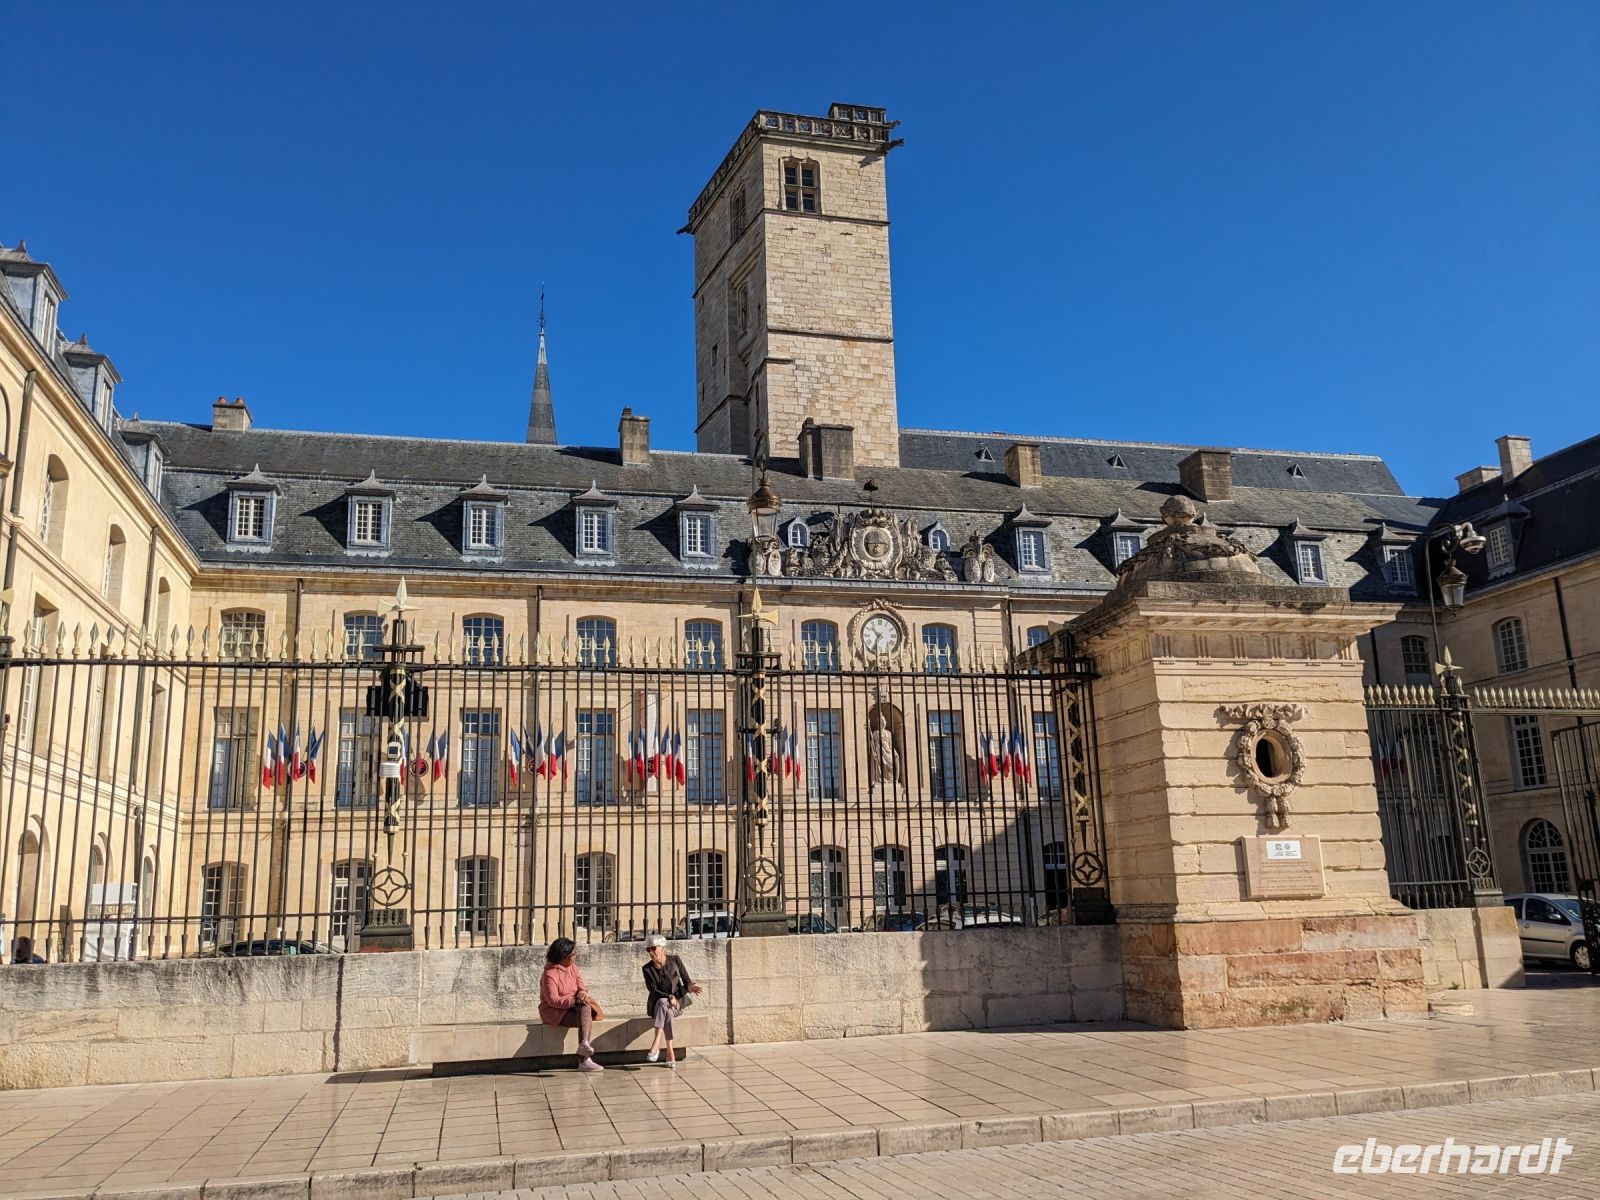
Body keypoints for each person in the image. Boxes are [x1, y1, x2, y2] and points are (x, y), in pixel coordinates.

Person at [539, 937, 606, 1073]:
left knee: (585, 1006)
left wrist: (582, 994)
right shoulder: (549, 974)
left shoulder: (573, 968)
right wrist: (574, 1001)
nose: (575, 957)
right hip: (554, 1012)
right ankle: (584, 1059)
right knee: (584, 1012)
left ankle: (584, 1045)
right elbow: (553, 1000)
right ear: (563, 956)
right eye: (572, 955)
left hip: (575, 1007)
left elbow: (582, 987)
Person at [641, 934, 701, 1067]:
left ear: (662, 948)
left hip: (677, 1004)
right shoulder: (647, 969)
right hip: (658, 1005)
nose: (650, 952)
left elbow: (686, 982)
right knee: (663, 1003)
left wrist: (690, 988)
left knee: (667, 1011)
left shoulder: (675, 960)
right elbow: (653, 991)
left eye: (653, 948)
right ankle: (669, 1050)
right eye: (648, 950)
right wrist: (669, 997)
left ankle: (658, 1045)